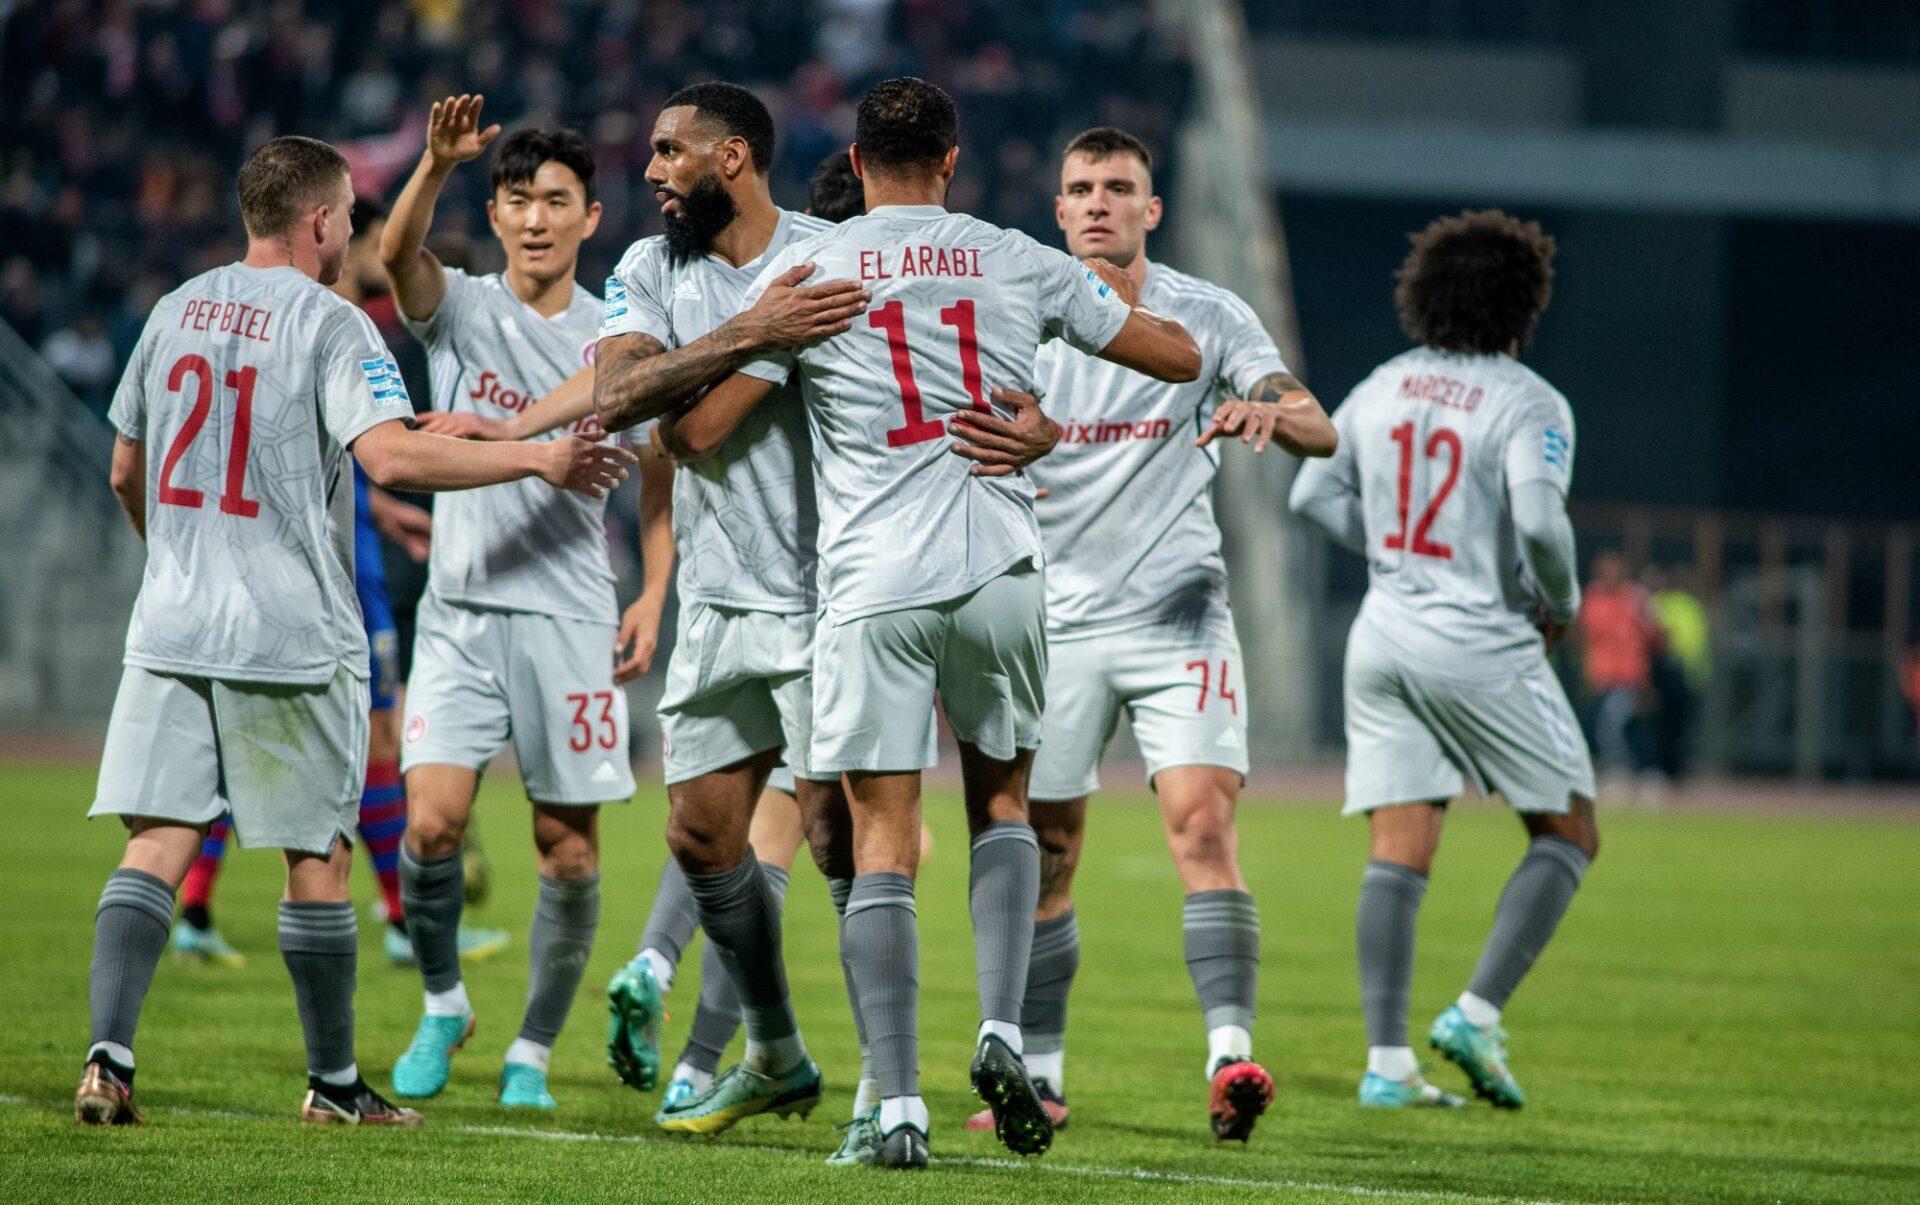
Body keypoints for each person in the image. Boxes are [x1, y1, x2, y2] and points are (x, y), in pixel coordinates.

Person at [658, 76, 1202, 1168]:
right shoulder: (1017, 257)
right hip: (1000, 567)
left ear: (856, 165)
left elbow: (699, 433)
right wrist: (1045, 422)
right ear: (952, 161)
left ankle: (898, 1104)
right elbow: (1180, 357)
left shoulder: (814, 275)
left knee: (882, 842)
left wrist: (748, 344)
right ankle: (1003, 1029)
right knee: (1003, 804)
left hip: (876, 584)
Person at [79, 133, 630, 1128]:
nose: (351, 242)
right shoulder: (331, 323)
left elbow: (125, 469)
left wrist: (175, 560)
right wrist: (539, 459)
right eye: (345, 220)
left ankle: (108, 1060)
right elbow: (394, 458)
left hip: (169, 623)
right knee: (317, 857)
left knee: (156, 841)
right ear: (322, 221)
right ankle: (334, 1083)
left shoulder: (173, 310)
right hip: (288, 630)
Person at [956, 126, 1336, 1145]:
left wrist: (1271, 412)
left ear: (1151, 209)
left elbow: (1318, 423)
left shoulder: (1207, 314)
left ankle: (1229, 1057)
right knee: (1049, 846)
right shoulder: (1019, 319)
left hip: (1179, 612)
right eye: (1080, 187)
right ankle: (1041, 1075)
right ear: (1058, 209)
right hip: (1052, 620)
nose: (1097, 202)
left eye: (1118, 187)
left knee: (1202, 826)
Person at [1290, 209, 1598, 1111]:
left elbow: (1311, 495)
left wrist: (1392, 551)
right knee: (1571, 831)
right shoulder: (1529, 400)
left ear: (1423, 293)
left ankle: (1387, 1064)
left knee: (1398, 847)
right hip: (1476, 638)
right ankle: (1476, 1012)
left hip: (1383, 633)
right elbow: (1540, 521)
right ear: (1523, 301)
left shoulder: (1384, 383)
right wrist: (1562, 603)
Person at [167, 197, 510, 972]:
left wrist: (382, 513)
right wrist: (529, 457)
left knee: (260, 739)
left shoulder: (293, 323)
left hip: (326, 550)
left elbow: (327, 457)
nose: (379, 249)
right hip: (339, 573)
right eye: (366, 230)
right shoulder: (335, 324)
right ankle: (402, 918)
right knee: (375, 742)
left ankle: (197, 903)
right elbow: (376, 453)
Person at [376, 96, 637, 1111]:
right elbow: (396, 255)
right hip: (463, 608)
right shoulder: (464, 308)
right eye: (518, 199)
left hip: (571, 614)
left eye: (556, 201)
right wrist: (435, 163)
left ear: (590, 217)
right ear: (494, 214)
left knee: (565, 844)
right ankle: (444, 1003)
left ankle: (532, 1047)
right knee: (432, 825)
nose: (536, 218)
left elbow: (657, 474)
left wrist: (656, 590)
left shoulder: (617, 335)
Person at [1578, 551, 1663, 787]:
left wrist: (1647, 677)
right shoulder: (1591, 598)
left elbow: (1655, 637)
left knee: (1615, 724)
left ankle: (1632, 770)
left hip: (1630, 676)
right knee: (1605, 725)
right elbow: (1585, 637)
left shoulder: (1636, 599)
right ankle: (1630, 770)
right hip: (1601, 676)